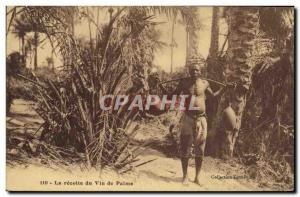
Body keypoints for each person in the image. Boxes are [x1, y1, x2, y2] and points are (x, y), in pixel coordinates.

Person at [173, 59, 226, 186]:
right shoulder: (184, 82)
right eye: (192, 70)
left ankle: (197, 177)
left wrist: (224, 89)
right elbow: (172, 95)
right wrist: (161, 87)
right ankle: (185, 176)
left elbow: (213, 97)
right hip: (188, 118)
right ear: (189, 71)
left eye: (197, 70)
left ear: (200, 72)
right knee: (185, 147)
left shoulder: (205, 83)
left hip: (202, 119)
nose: (194, 72)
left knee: (200, 148)